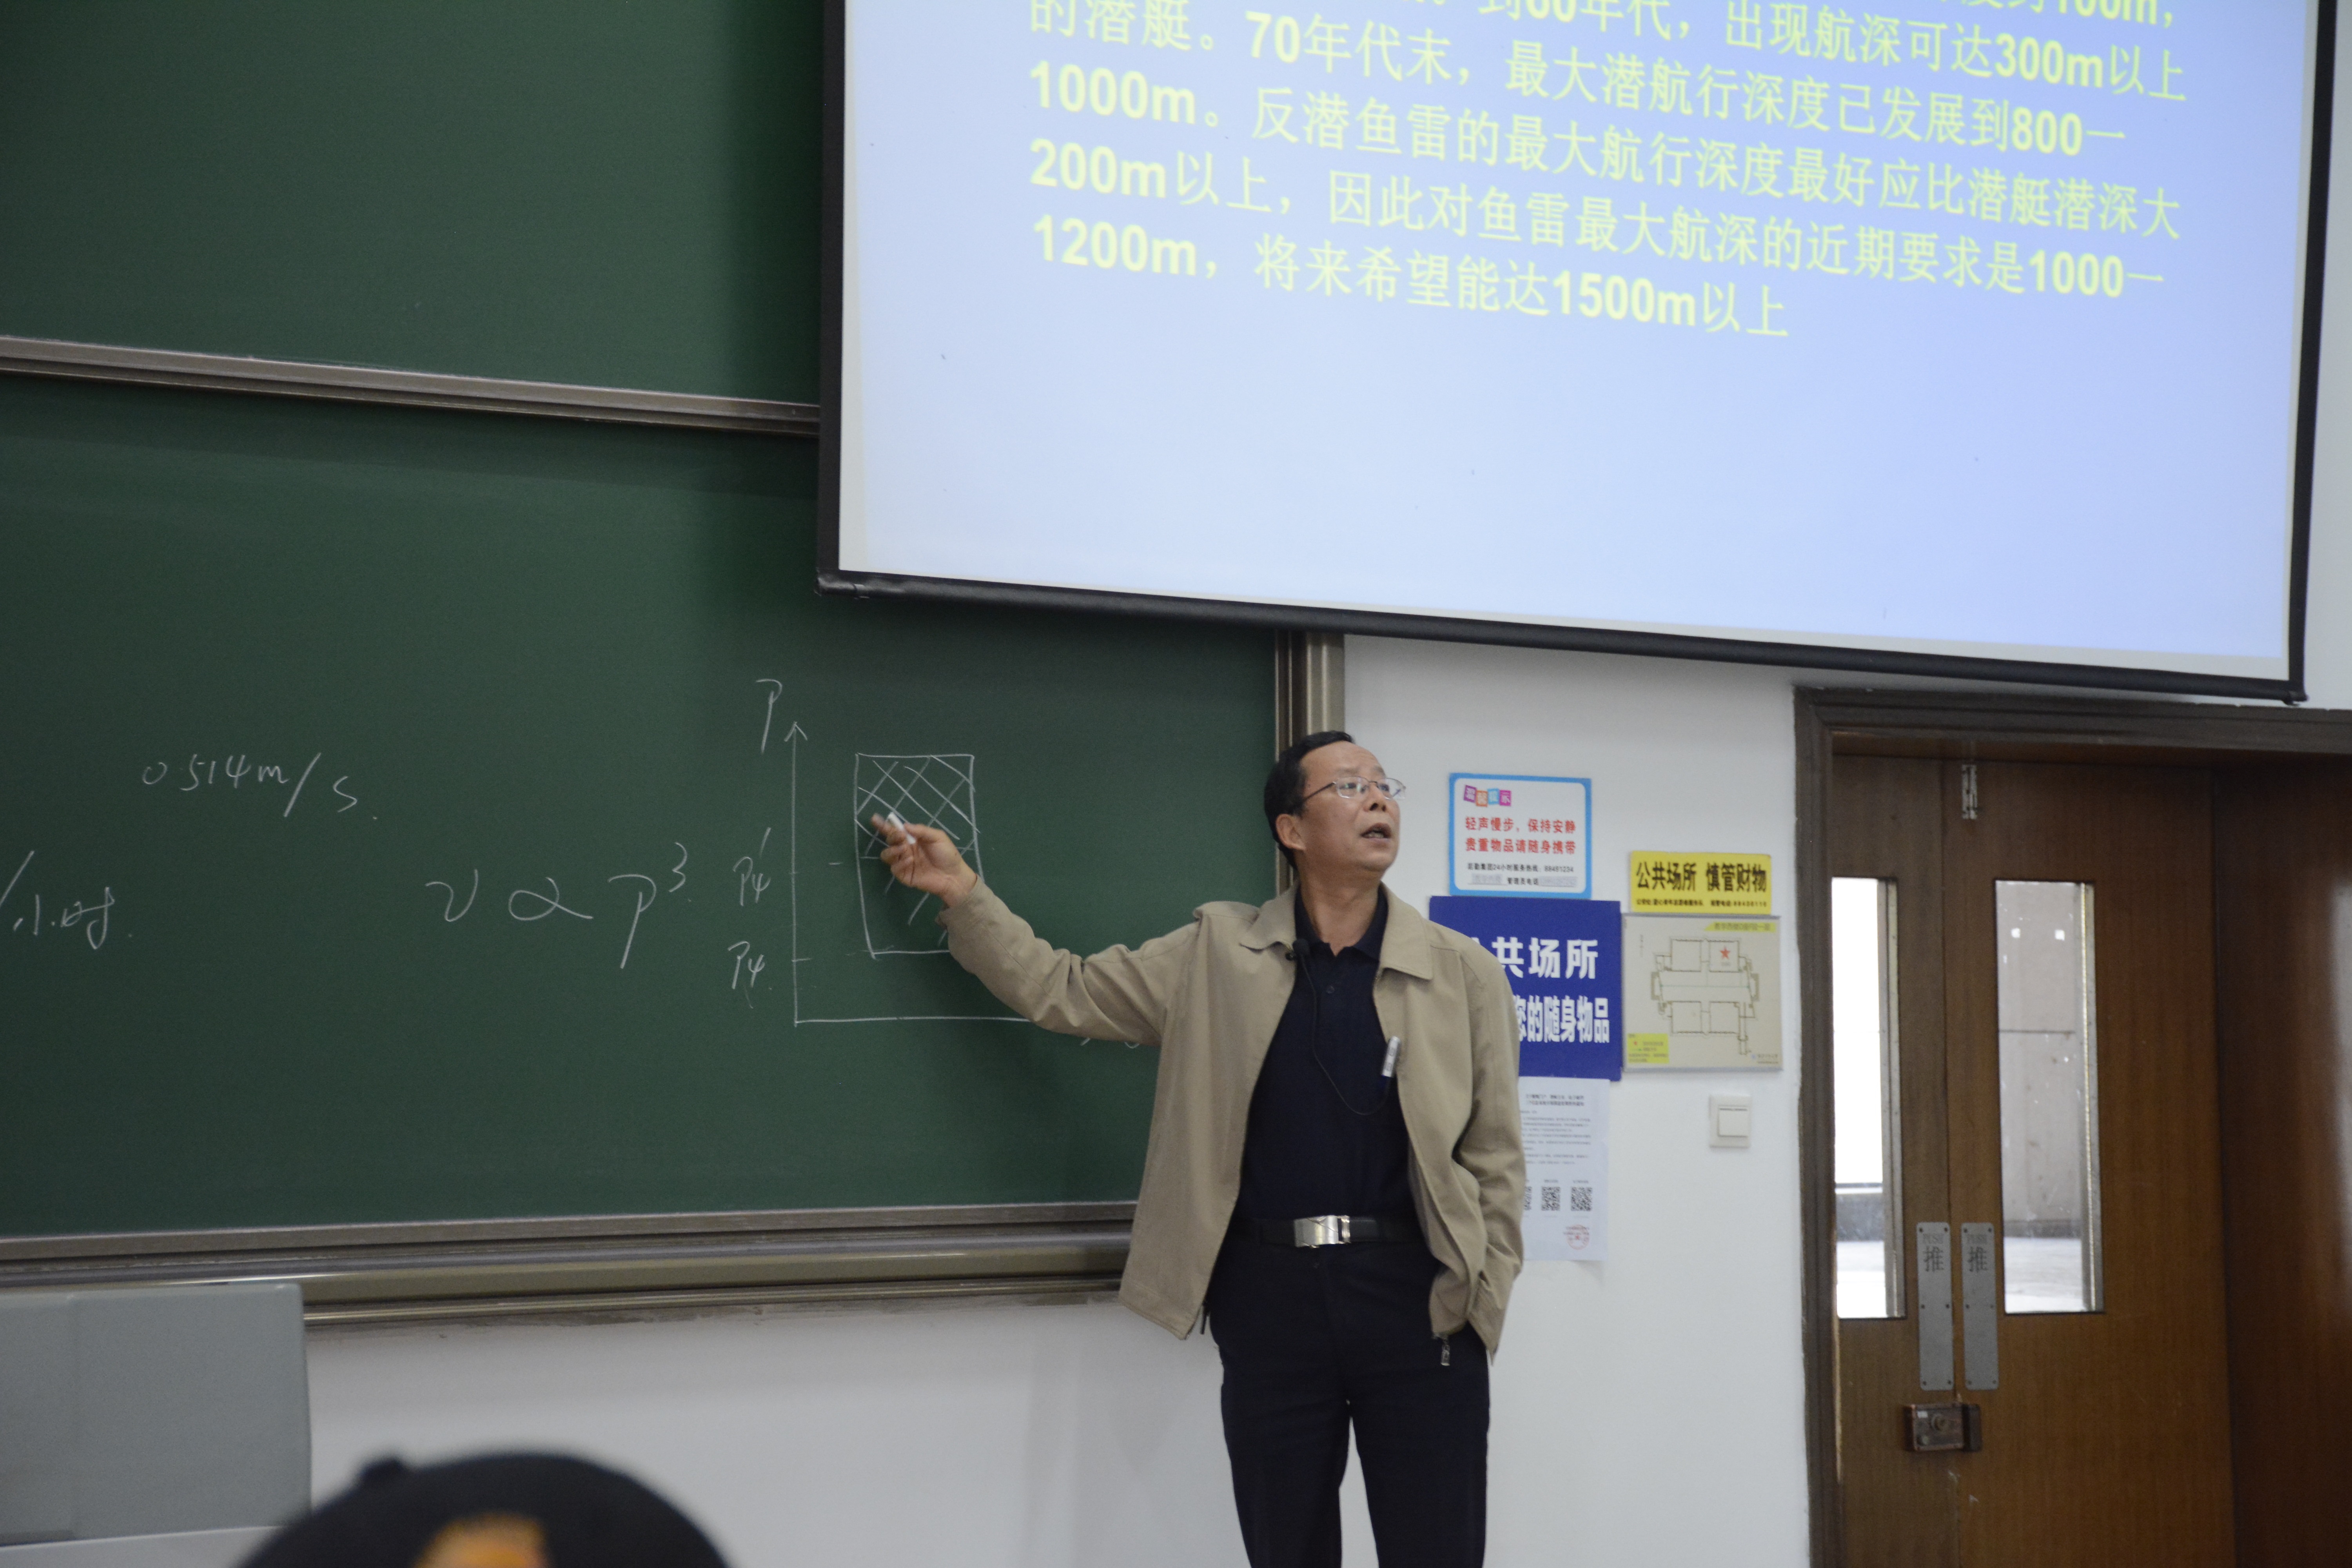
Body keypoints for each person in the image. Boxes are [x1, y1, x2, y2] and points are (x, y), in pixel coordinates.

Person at [875, 730, 1524, 1567]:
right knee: (1285, 1547)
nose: (1377, 799)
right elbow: (1064, 988)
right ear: (1292, 829)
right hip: (1272, 1301)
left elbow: (1496, 1156)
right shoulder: (1218, 953)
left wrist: (1481, 1295)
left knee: (1437, 1549)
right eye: (1348, 786)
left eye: (1382, 785)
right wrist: (964, 894)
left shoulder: (1462, 971)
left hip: (1418, 1302)